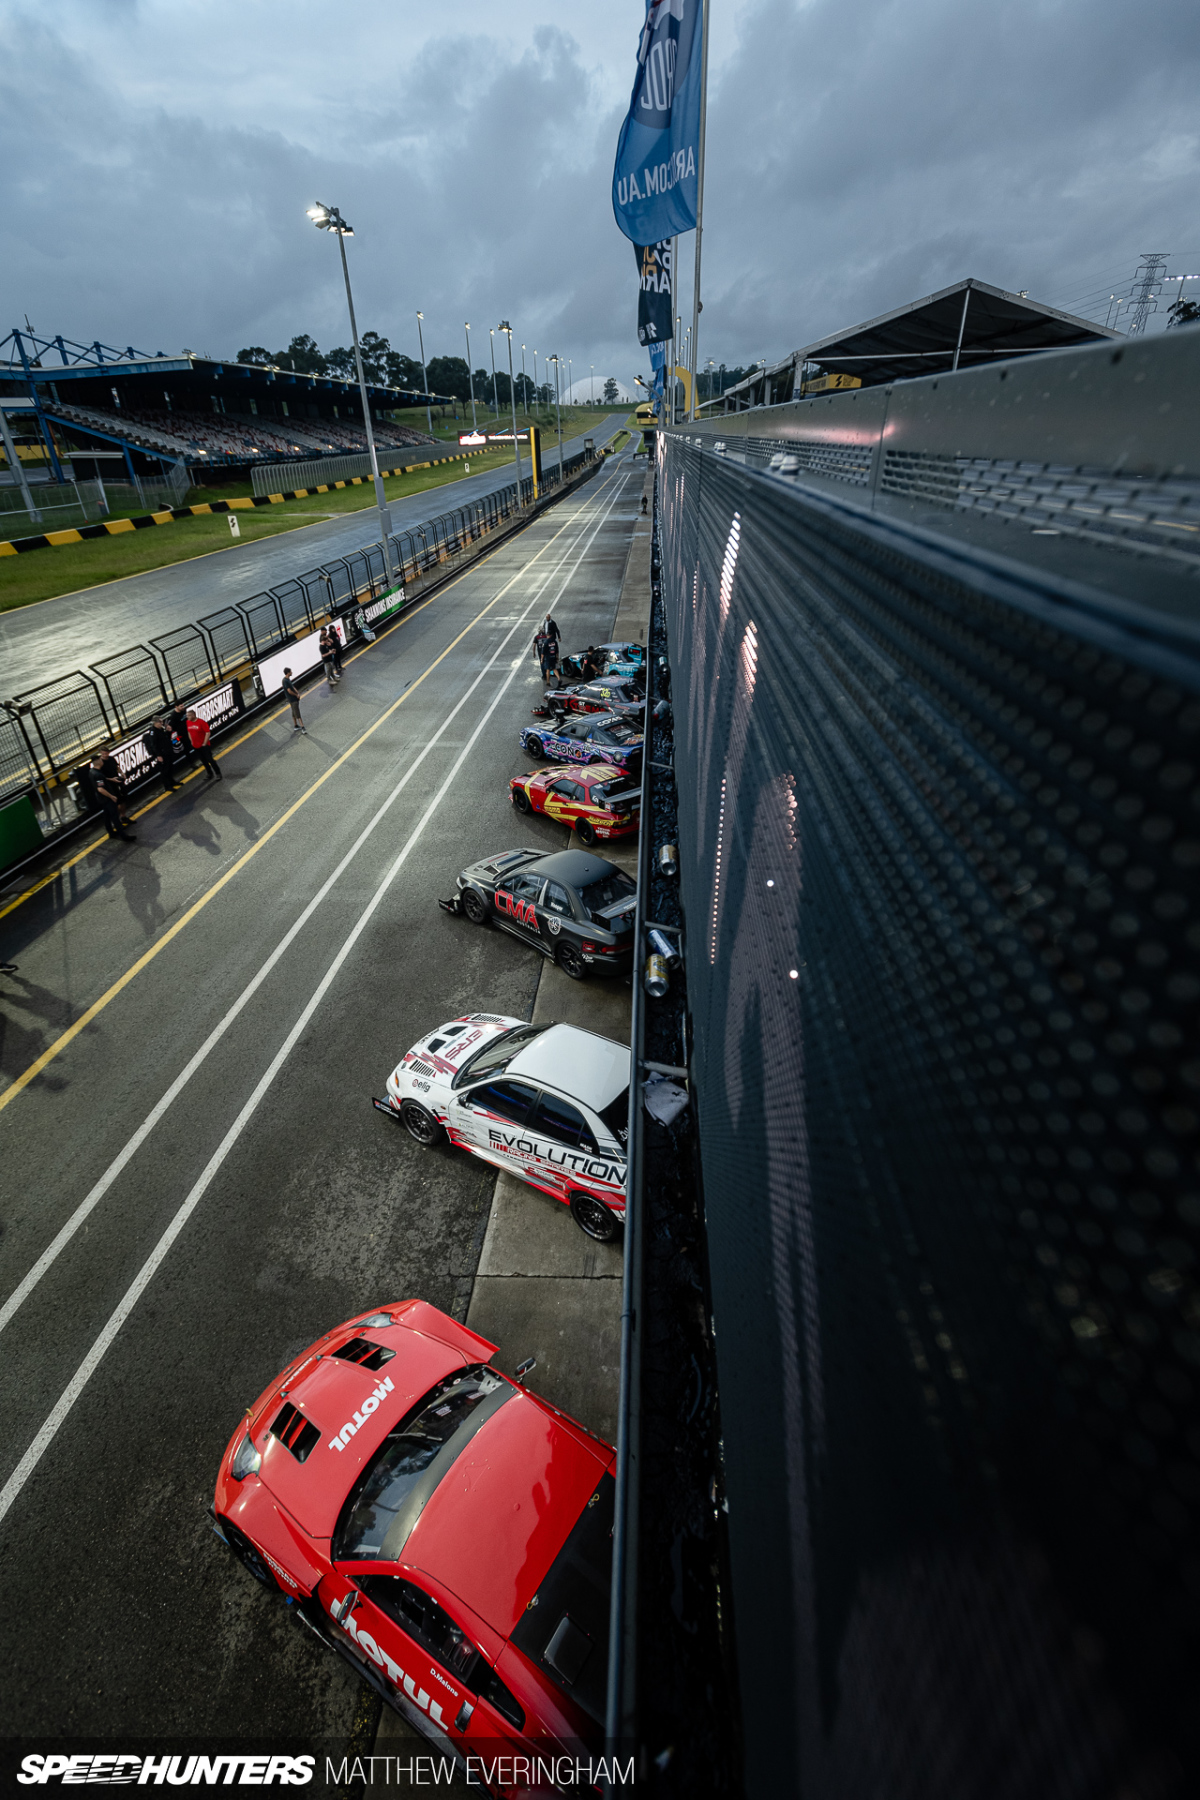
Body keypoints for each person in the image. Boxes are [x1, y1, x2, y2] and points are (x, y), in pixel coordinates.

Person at [88, 753, 136, 840]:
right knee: (115, 817)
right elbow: (100, 789)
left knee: (106, 817)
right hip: (107, 798)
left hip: (101, 799)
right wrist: (111, 796)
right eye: (100, 760)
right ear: (98, 761)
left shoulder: (92, 771)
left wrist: (111, 779)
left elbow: (101, 780)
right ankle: (124, 836)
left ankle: (111, 833)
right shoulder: (98, 774)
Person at [142, 716, 178, 791]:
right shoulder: (153, 732)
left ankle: (172, 782)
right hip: (162, 753)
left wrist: (168, 731)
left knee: (170, 767)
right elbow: (154, 745)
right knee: (165, 770)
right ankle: (167, 786)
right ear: (155, 723)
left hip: (167, 751)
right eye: (160, 722)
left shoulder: (161, 729)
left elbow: (165, 739)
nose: (162, 723)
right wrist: (158, 755)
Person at [186, 708, 222, 780]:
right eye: (187, 715)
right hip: (195, 746)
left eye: (189, 715)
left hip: (204, 746)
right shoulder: (188, 722)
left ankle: (218, 773)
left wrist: (204, 743)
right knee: (203, 761)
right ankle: (209, 773)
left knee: (210, 760)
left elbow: (207, 733)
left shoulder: (201, 722)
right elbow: (189, 732)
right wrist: (191, 741)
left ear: (193, 715)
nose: (187, 717)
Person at [282, 668, 306, 734]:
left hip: (292, 699)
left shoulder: (287, 680)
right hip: (292, 699)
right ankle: (303, 727)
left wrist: (298, 693)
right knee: (297, 712)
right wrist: (296, 695)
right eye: (290, 671)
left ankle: (295, 725)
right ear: (288, 673)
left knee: (293, 712)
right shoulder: (285, 681)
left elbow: (292, 687)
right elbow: (289, 691)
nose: (292, 672)